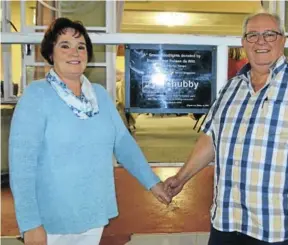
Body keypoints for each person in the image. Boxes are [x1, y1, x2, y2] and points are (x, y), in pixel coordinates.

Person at [164, 12, 288, 245]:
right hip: (227, 221)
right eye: (252, 35)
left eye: (269, 34)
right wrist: (182, 178)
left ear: (283, 40)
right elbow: (211, 138)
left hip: (279, 226)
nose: (261, 41)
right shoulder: (231, 88)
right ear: (243, 43)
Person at [9, 17, 171, 245]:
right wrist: (30, 223)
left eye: (81, 46)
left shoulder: (99, 95)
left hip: (93, 213)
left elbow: (123, 143)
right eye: (64, 45)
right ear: (51, 53)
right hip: (51, 220)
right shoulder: (36, 96)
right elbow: (21, 166)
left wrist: (153, 183)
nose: (74, 53)